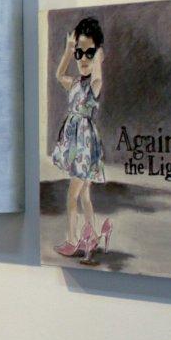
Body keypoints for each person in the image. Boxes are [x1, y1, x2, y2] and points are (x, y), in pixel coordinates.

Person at [51, 17, 111, 265]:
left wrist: (98, 60)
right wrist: (68, 50)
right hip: (76, 145)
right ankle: (94, 235)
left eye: (89, 53)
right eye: (80, 53)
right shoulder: (75, 83)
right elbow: (58, 74)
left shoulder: (93, 85)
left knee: (72, 196)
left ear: (97, 54)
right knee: (85, 195)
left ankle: (73, 239)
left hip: (84, 147)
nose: (83, 59)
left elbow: (97, 77)